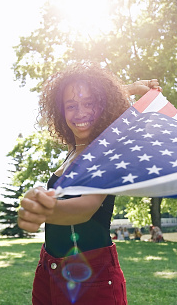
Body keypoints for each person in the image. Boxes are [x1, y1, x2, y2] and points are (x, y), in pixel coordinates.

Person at [17, 62, 161, 304]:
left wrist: (46, 210)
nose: (80, 112)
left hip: (91, 275)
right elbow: (94, 99)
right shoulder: (74, 150)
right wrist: (131, 87)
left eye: (89, 104)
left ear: (102, 106)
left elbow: (86, 207)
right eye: (71, 106)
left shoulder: (107, 151)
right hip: (49, 266)